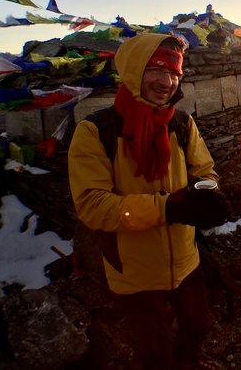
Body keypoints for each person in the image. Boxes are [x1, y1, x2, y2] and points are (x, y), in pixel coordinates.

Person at [68, 33, 231, 370]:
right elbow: (92, 205)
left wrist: (207, 193)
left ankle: (188, 361)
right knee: (153, 352)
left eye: (174, 73)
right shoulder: (96, 132)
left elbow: (205, 170)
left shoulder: (181, 123)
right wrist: (167, 208)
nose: (166, 82)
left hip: (185, 259)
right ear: (133, 71)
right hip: (133, 272)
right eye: (155, 70)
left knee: (197, 326)